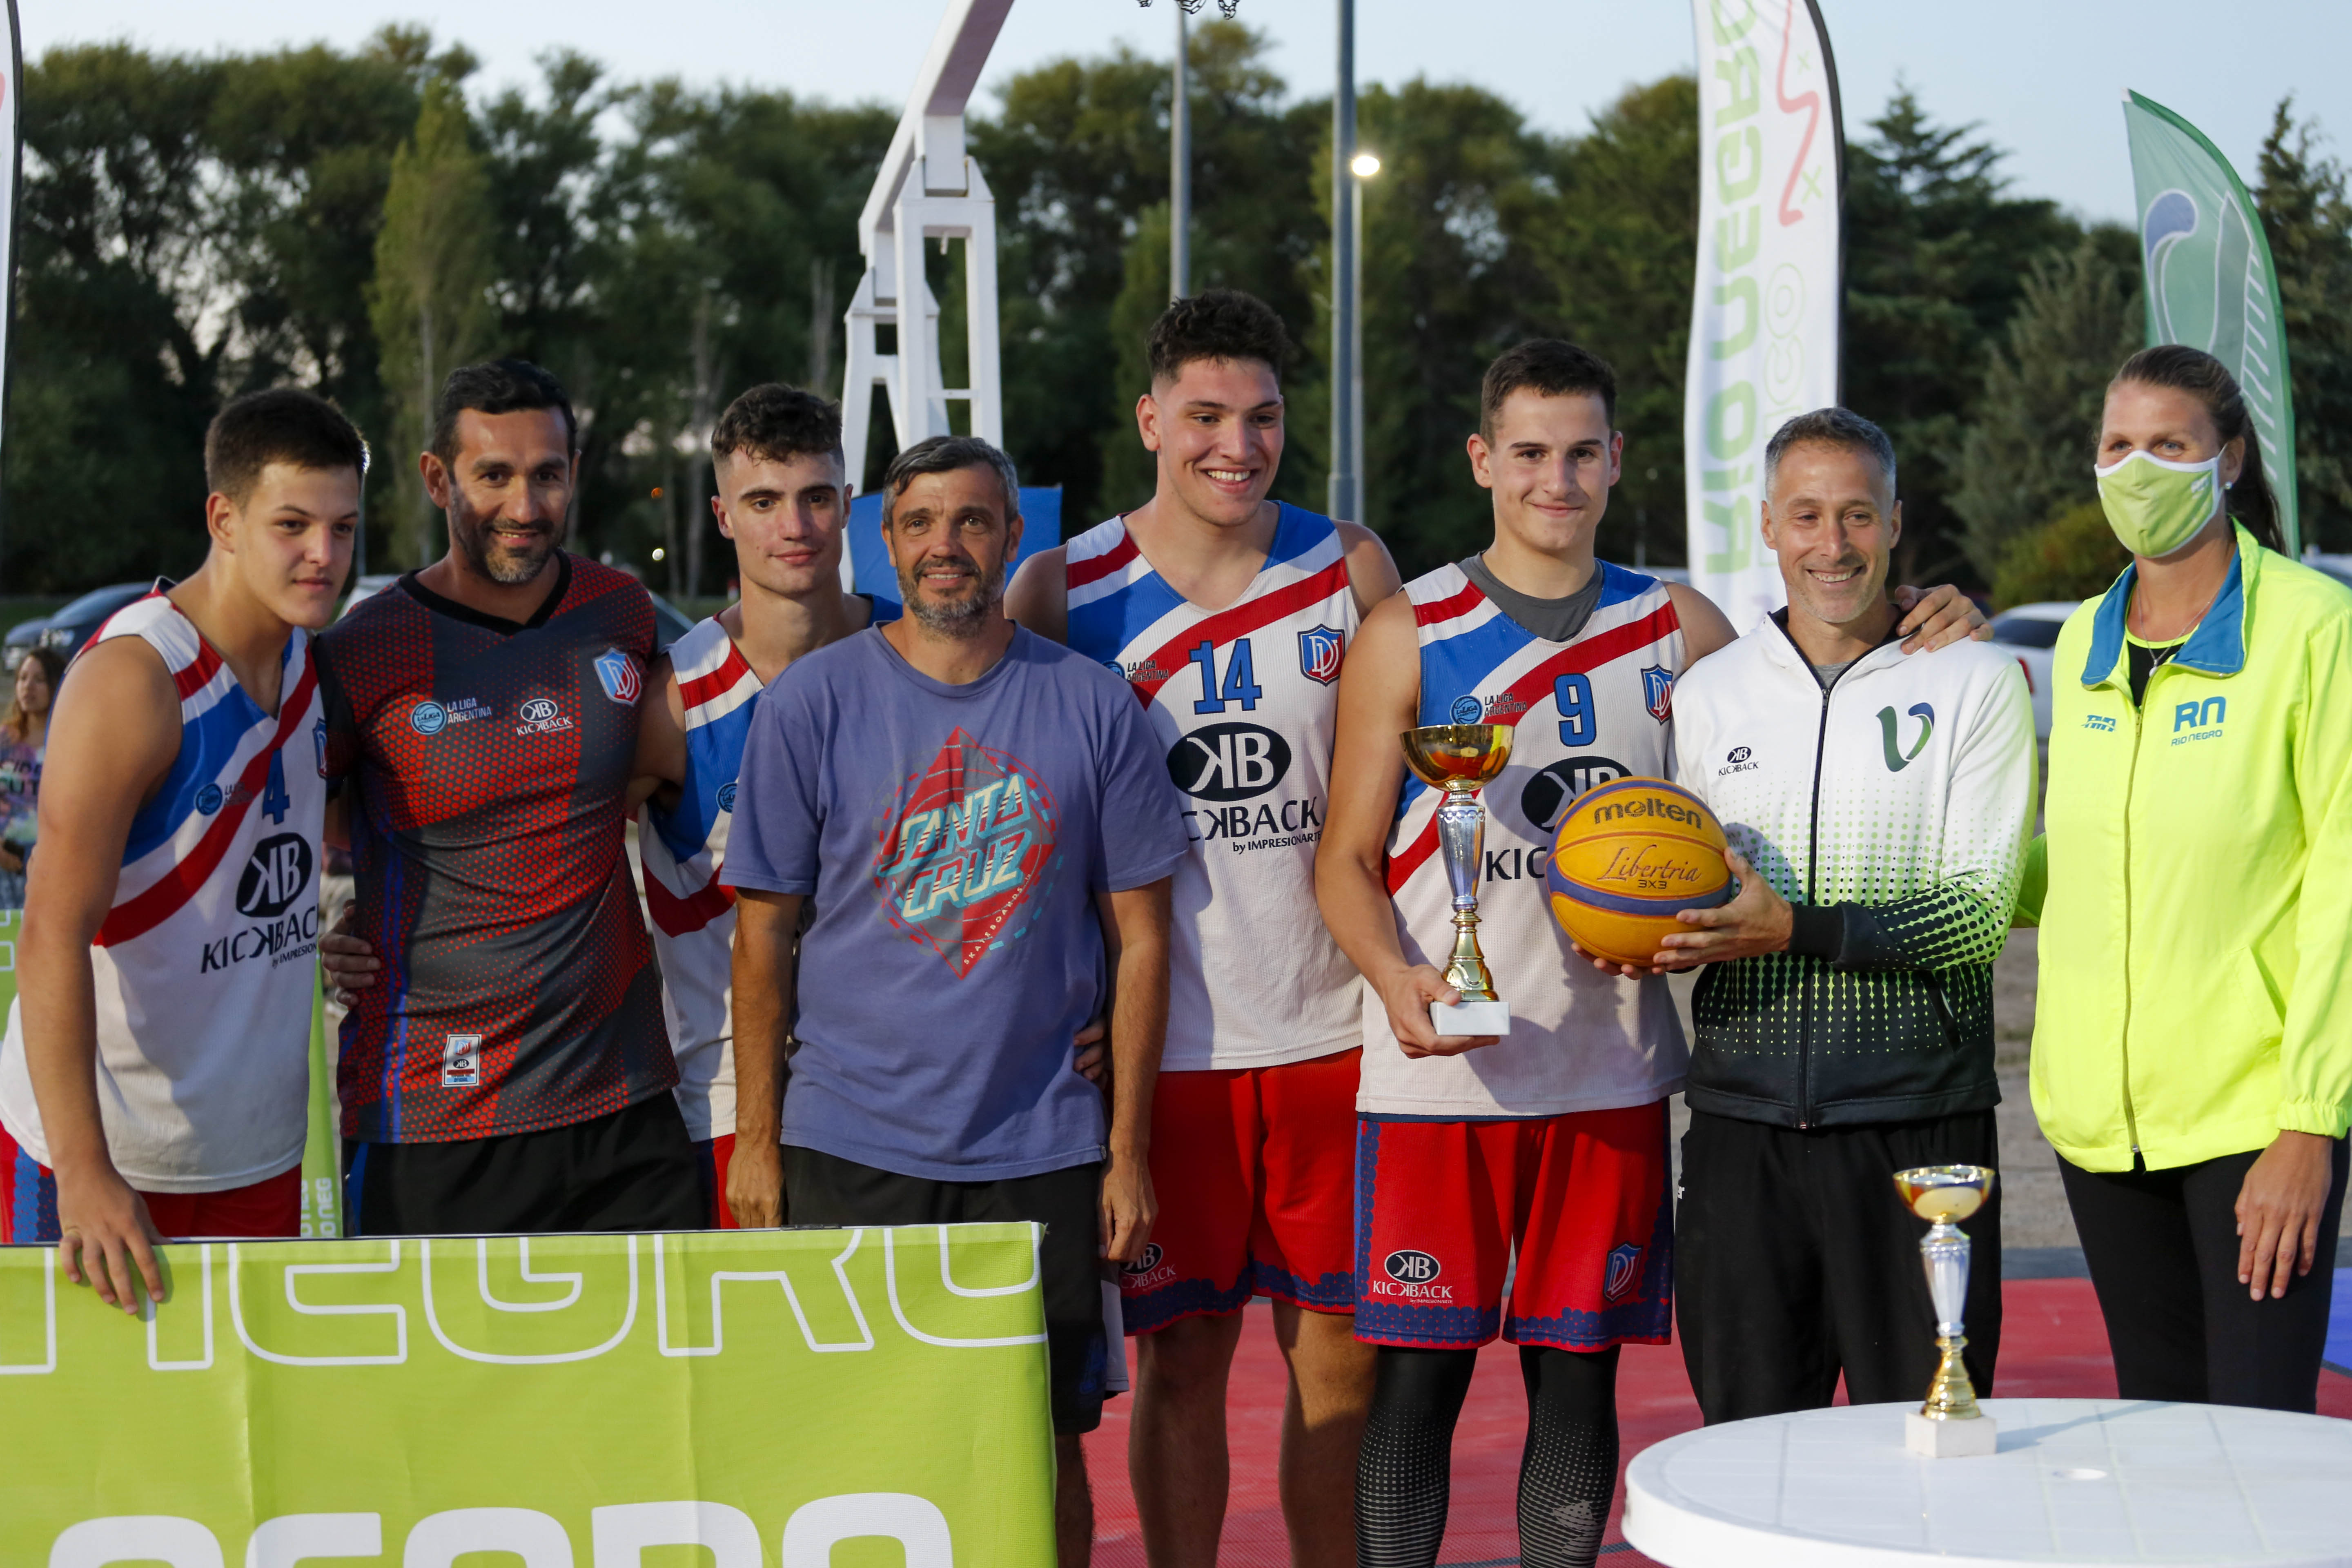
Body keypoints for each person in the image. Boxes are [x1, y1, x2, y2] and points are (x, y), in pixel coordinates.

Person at [1315, 341, 1987, 1568]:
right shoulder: (1409, 627)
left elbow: (1823, 678)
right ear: (1484, 461)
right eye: (1528, 452)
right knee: (1416, 1388)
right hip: (1439, 1071)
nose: (1555, 480)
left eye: (1581, 452)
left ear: (1617, 460)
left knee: (1575, 1392)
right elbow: (1344, 859)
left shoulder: (1683, 629)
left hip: (1612, 1070)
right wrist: (1398, 977)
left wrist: (1939, 615)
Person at [722, 434, 1187, 1567]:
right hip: (851, 1140)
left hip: (1037, 1147)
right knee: (854, 1446)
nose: (946, 546)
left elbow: (1141, 937)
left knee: (1042, 1444)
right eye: (922, 525)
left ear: (1011, 537)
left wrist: (1127, 1150)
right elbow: (763, 932)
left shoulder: (1089, 706)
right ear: (885, 544)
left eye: (972, 522)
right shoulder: (813, 705)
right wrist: (760, 1139)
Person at [1005, 288, 1398, 1568]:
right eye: (1208, 416)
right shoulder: (1064, 588)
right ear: (1151, 419)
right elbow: (1021, 825)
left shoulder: (1350, 565)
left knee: (1339, 1363)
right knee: (1184, 1360)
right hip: (1162, 1053)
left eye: (1265, 417)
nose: (1238, 444)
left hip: (1334, 1031)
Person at [1656, 408, 2034, 1423]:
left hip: (1917, 1132)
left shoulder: (1976, 681)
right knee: (1743, 1459)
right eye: (1808, 516)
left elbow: (1972, 918)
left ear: (1895, 521)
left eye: (1857, 515)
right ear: (1768, 526)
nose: (1832, 545)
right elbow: (1681, 893)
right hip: (1741, 1134)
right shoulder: (1706, 695)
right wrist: (1642, 936)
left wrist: (1797, 927)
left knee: (1926, 1468)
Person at [2020, 344, 2352, 1412]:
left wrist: (2312, 1124)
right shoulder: (2079, 641)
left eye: (2170, 445)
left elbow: (2346, 885)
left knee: (2257, 1451)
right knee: (2157, 1441)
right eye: (2118, 446)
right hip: (2099, 1128)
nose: (2139, 469)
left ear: (2230, 460)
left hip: (2254, 1123)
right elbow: (2074, 859)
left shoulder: (2315, 629)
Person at [317, 358, 701, 1237]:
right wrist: (327, 930)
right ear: (436, 478)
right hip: (436, 1110)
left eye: (548, 475)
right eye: (494, 476)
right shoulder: (362, 652)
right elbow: (281, 820)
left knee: (649, 1375)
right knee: (435, 1378)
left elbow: (659, 775)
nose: (525, 507)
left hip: (623, 1100)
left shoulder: (623, 610)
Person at [0, 389, 360, 1305]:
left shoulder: (312, 663)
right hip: (106, 1164)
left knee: (246, 1445)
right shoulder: (136, 678)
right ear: (224, 519)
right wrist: (83, 1171)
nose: (325, 556)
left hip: (259, 1151)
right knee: (83, 1446)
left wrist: (346, 934)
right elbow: (48, 932)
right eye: (293, 525)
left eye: (345, 528)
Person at [633, 383, 870, 1227]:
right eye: (763, 502)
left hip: (903, 1087)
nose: (794, 527)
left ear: (849, 504)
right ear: (725, 515)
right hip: (734, 1100)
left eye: (814, 499)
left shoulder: (915, 659)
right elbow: (546, 863)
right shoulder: (674, 700)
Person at [0, 648, 63, 909]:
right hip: (5, 861)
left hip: (53, 866)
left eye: (39, 679)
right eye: (23, 678)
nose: (28, 687)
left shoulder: (67, 740)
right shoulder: (5, 738)